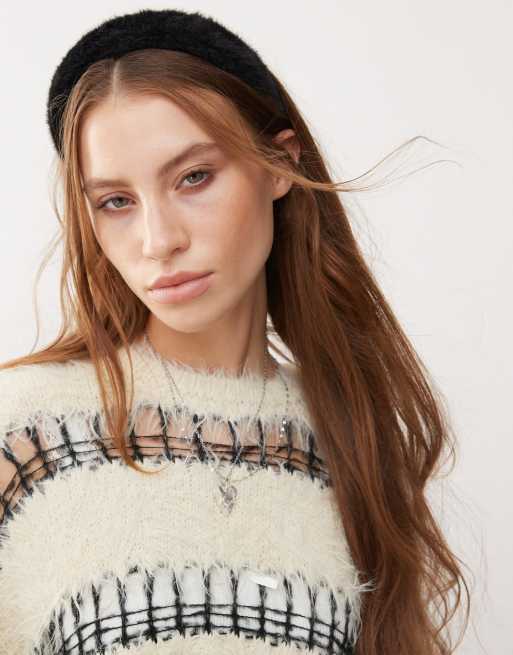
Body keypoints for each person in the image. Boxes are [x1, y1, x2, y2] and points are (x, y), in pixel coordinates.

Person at [0, 8, 470, 655]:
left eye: (193, 177)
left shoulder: (353, 435)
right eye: (116, 201)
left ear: (278, 164)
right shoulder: (26, 435)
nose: (158, 239)